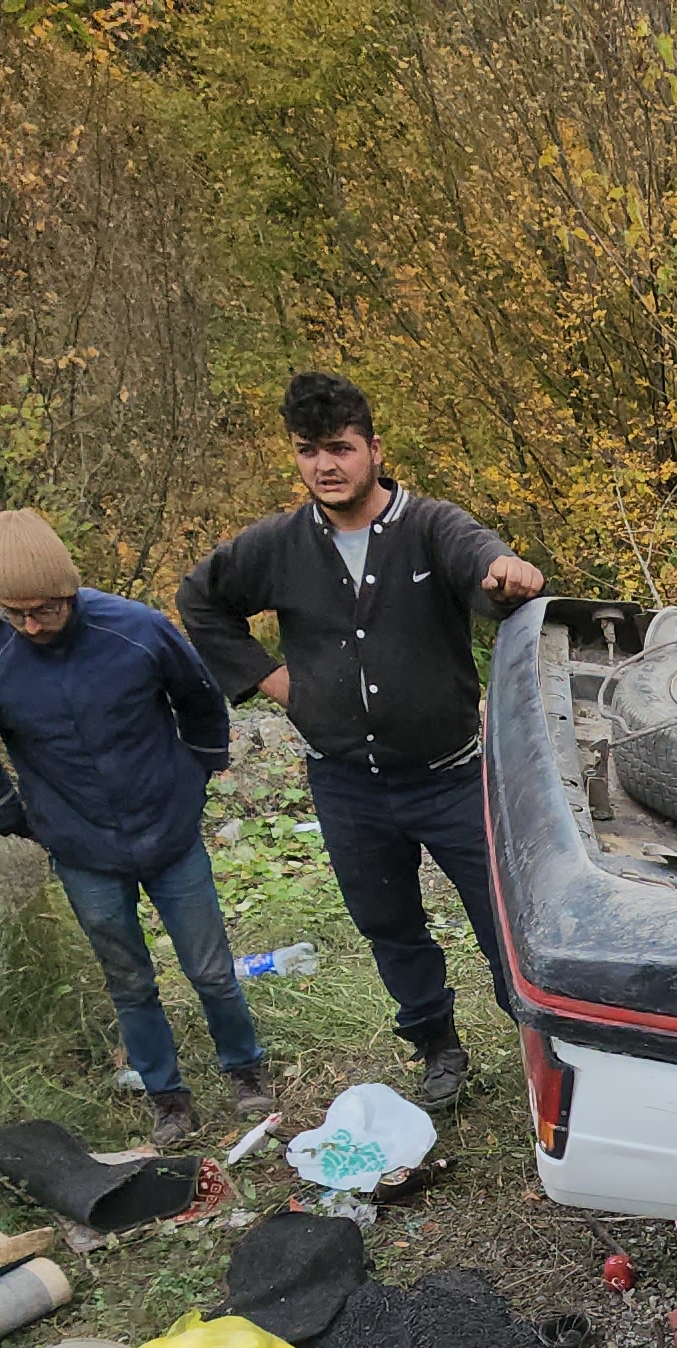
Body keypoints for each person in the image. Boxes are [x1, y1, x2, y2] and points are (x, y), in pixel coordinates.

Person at [177, 373, 544, 1108]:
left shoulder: (428, 527)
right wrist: (276, 685)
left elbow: (482, 562)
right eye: (308, 451)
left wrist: (505, 576)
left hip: (450, 777)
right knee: (390, 926)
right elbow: (200, 600)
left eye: (340, 448)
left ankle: (543, 1047)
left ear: (374, 448)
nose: (325, 466)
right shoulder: (279, 546)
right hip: (346, 786)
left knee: (505, 920)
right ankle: (437, 1047)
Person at [0, 509, 272, 1145]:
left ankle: (245, 1070)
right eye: (14, 613)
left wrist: (199, 771)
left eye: (43, 610)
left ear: (69, 592)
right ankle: (167, 1095)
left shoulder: (135, 628)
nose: (31, 625)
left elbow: (199, 699)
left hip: (167, 830)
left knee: (211, 967)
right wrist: (11, 817)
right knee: (128, 979)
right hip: (80, 844)